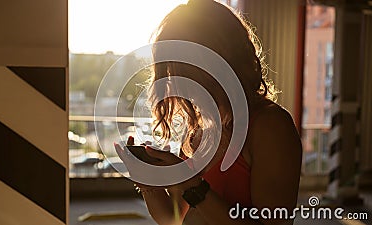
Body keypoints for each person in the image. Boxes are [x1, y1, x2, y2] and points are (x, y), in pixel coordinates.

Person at [114, 0, 302, 224]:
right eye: (172, 71)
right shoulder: (199, 129)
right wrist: (146, 182)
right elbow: (173, 219)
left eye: (185, 70)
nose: (177, 84)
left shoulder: (270, 125)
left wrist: (190, 185)